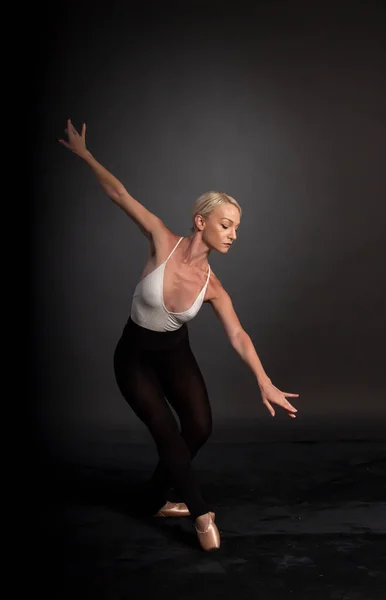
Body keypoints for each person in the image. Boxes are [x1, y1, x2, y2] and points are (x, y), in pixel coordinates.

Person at [58, 119, 299, 552]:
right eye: (226, 225)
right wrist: (86, 155)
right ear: (200, 221)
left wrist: (264, 380)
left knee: (200, 427)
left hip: (174, 355)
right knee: (167, 429)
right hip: (133, 356)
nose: (233, 235)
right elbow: (119, 194)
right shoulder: (160, 240)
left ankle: (154, 497)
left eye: (236, 228)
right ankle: (200, 512)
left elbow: (239, 334)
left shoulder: (214, 288)